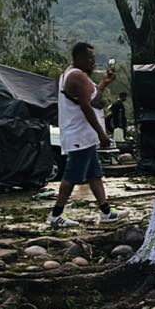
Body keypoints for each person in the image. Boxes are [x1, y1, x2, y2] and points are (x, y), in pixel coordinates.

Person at [49, 42, 121, 228]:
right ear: (78, 58)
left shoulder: (74, 74)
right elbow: (87, 108)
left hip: (84, 136)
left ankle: (106, 211)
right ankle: (56, 214)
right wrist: (102, 133)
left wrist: (104, 83)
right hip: (79, 136)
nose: (93, 61)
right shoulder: (77, 77)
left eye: (94, 58)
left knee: (94, 174)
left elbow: (94, 100)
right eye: (89, 58)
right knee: (71, 176)